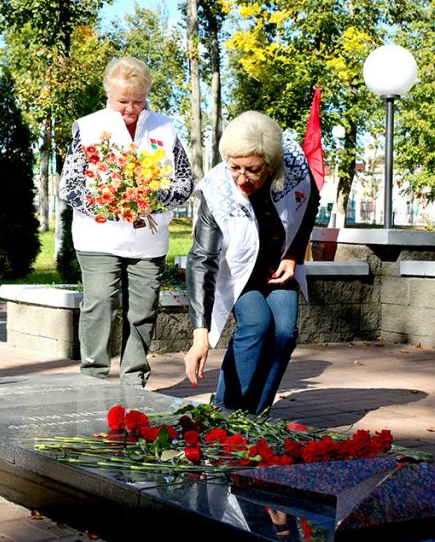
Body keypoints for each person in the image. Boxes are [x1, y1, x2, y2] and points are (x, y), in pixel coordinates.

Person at [59, 56, 194, 386]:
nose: (130, 109)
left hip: (148, 239)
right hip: (98, 237)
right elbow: (69, 185)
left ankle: (134, 382)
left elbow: (185, 182)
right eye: (123, 102)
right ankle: (93, 377)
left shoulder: (166, 127)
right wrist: (112, 202)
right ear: (108, 93)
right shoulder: (88, 127)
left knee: (143, 310)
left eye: (137, 101)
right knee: (101, 303)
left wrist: (154, 198)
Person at [183, 111, 319, 414]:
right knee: (257, 325)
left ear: (270, 165)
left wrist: (295, 253)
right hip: (239, 271)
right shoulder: (217, 191)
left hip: (279, 266)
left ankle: (255, 416)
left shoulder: (295, 168)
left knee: (284, 333)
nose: (242, 178)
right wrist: (200, 336)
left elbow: (311, 202)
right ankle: (227, 412)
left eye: (252, 170)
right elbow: (201, 260)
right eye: (235, 167)